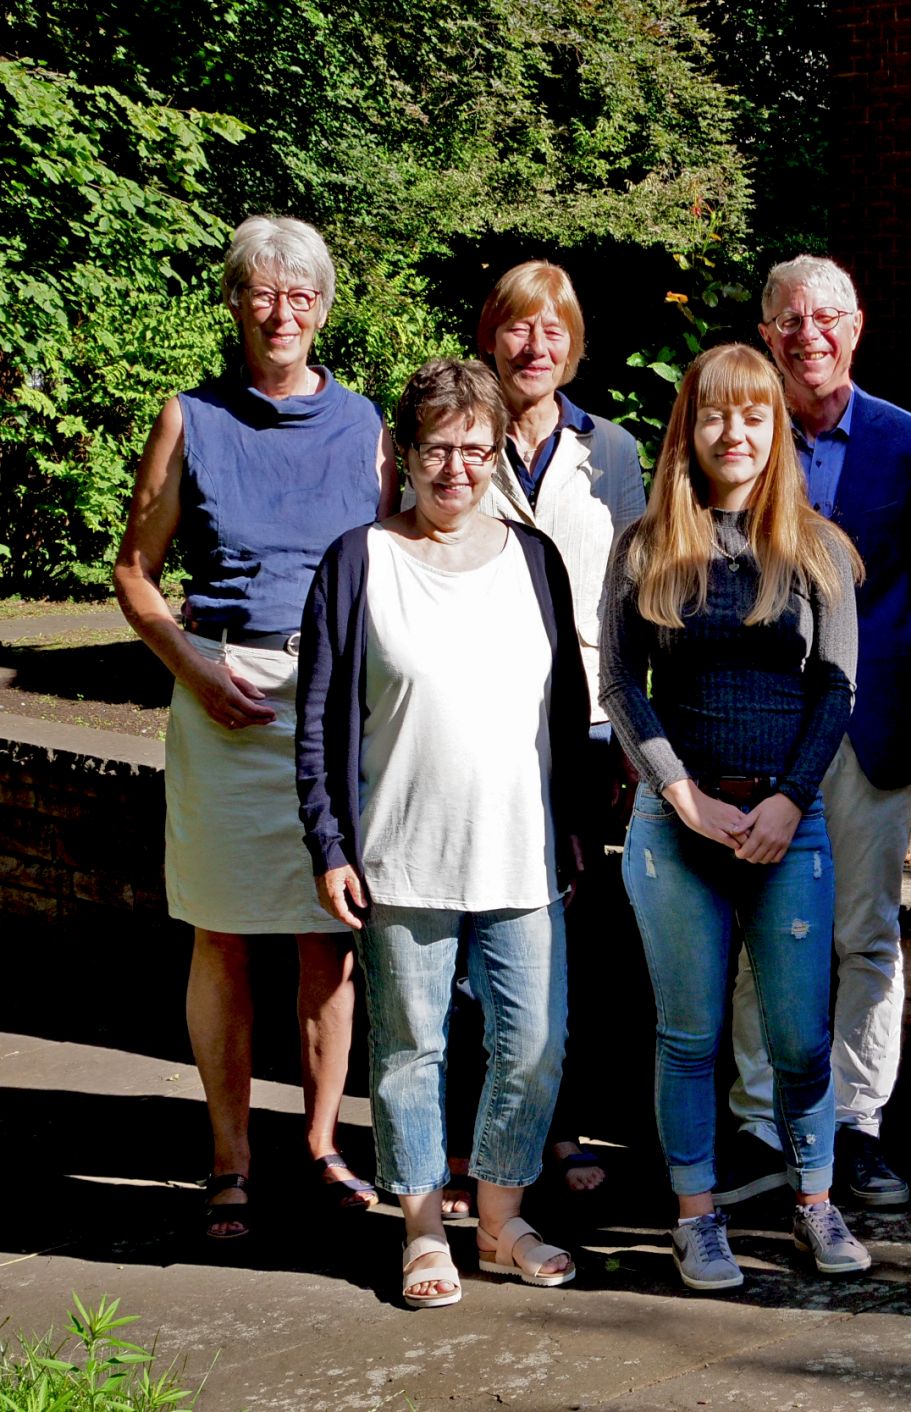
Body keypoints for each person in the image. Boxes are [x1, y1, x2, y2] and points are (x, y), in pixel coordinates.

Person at [112, 215, 396, 1240]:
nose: (283, 312)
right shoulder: (188, 418)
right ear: (234, 302)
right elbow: (134, 572)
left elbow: (397, 564)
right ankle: (229, 1153)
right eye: (262, 292)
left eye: (302, 294)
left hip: (333, 701)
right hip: (223, 693)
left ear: (325, 306)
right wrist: (192, 664)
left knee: (333, 932)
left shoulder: (367, 423)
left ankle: (321, 1146)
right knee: (222, 928)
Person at [296, 358, 588, 1310]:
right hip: (403, 857)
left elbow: (567, 710)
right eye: (437, 449)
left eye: (475, 447)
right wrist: (330, 843)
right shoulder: (359, 560)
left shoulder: (534, 560)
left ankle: (501, 1219)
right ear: (405, 455)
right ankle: (423, 1229)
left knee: (533, 1041)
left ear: (497, 450)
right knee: (409, 1049)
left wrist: (577, 828)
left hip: (523, 855)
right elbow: (320, 720)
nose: (456, 468)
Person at [604, 342, 868, 1291]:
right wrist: (681, 794)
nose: (735, 433)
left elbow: (837, 692)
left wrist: (789, 803)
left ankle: (813, 1202)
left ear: (776, 429)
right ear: (691, 428)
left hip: (784, 828)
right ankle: (696, 1217)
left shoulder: (819, 549)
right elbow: (621, 689)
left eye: (755, 415)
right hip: (678, 832)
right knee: (689, 1037)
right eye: (716, 414)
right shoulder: (645, 546)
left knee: (800, 1036)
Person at [718, 256, 911, 1211]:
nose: (807, 333)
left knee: (865, 937)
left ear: (856, 326)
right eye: (788, 318)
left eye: (827, 316)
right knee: (758, 935)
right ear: (766, 331)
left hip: (866, 738)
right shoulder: (740, 439)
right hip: (759, 741)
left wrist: (876, 688)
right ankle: (756, 1123)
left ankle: (856, 1124)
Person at [438, 261, 647, 1210]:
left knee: (571, 940)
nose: (536, 347)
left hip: (591, 726)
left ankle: (553, 1127)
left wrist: (645, 736)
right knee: (472, 939)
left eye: (554, 331)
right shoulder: (457, 441)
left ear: (575, 346)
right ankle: (455, 1139)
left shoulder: (613, 452)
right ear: (491, 335)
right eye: (519, 328)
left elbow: (645, 593)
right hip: (478, 720)